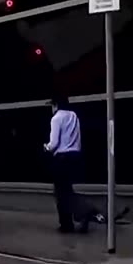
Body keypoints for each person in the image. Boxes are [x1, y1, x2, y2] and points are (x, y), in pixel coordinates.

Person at [45, 95, 88, 233]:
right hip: (75, 156)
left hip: (61, 158)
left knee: (61, 193)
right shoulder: (73, 115)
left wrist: (46, 147)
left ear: (56, 105)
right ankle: (81, 214)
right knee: (68, 190)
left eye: (52, 105)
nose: (52, 109)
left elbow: (54, 144)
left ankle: (67, 224)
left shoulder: (56, 118)